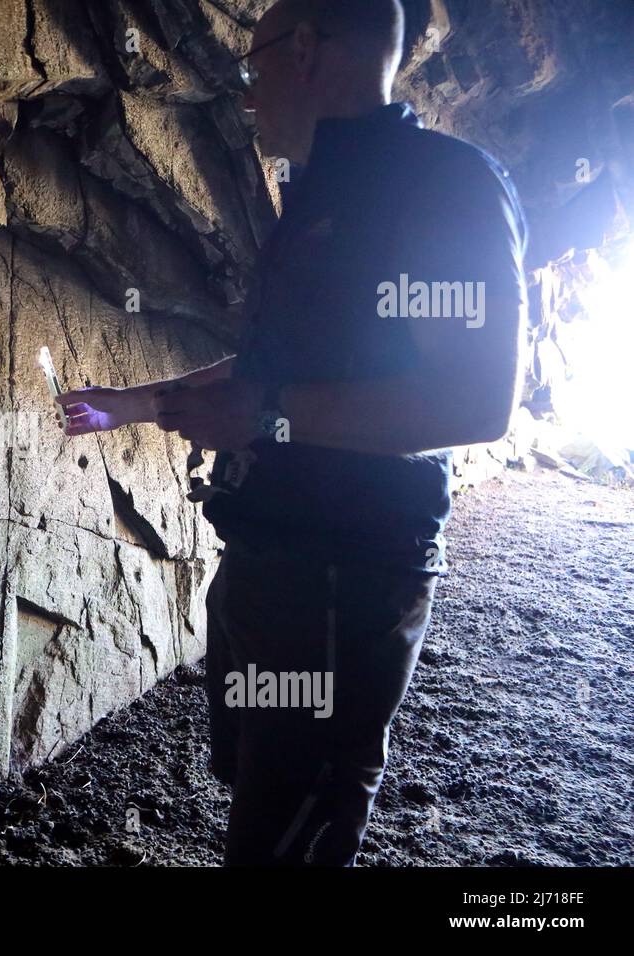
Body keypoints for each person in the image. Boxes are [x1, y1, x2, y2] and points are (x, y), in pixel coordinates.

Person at [55, 0, 527, 865]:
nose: (246, 91)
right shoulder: (321, 191)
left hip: (344, 584)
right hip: (271, 560)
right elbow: (270, 374)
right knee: (262, 796)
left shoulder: (440, 187)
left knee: (295, 828)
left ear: (306, 48)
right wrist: (132, 402)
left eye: (254, 63)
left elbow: (476, 401)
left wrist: (270, 416)